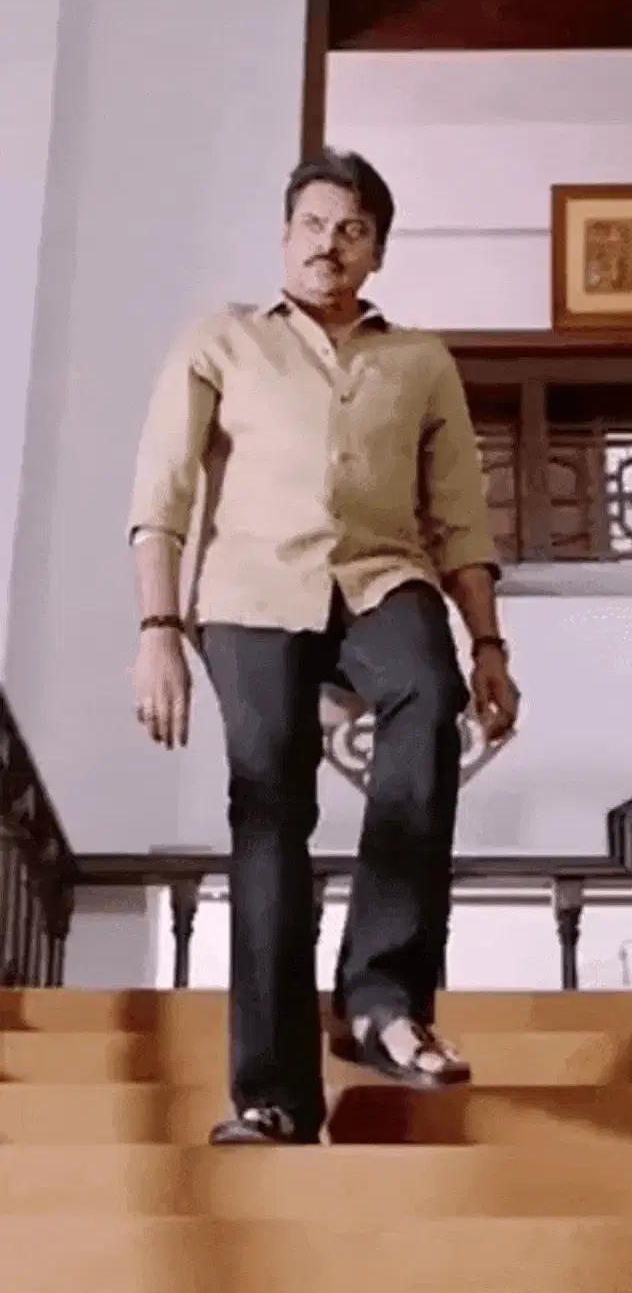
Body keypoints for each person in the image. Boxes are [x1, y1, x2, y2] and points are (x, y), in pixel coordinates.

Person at [128, 149, 520, 1146]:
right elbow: (162, 496)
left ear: (376, 251)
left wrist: (486, 642)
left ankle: (381, 999)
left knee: (426, 694)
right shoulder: (221, 341)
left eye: (351, 230)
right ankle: (275, 1097)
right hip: (250, 594)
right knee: (269, 808)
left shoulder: (419, 361)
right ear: (283, 235)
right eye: (311, 224)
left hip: (383, 578)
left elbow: (460, 516)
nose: (328, 245)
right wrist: (158, 630)